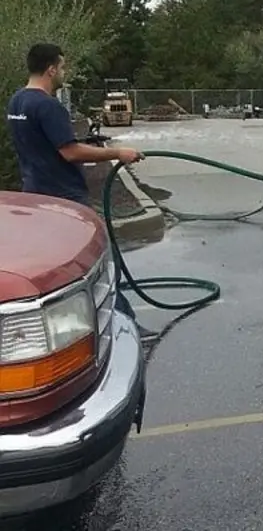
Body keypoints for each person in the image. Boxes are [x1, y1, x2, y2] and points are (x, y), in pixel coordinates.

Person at [5, 43, 154, 339]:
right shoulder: (48, 106)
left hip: (35, 197)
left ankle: (60, 332)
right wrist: (117, 153)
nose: (63, 72)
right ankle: (126, 326)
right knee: (98, 263)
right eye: (62, 67)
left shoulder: (17, 102)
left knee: (52, 268)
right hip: (65, 200)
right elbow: (70, 152)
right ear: (51, 69)